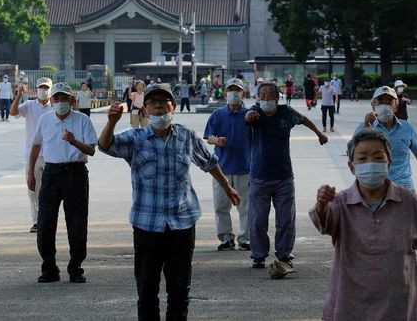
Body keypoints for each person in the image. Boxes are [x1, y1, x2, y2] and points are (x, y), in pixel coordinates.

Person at [98, 83, 240, 320]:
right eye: (153, 103)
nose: (159, 107)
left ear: (173, 108)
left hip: (182, 223)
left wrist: (227, 187)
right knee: (146, 291)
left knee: (179, 292)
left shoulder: (186, 136)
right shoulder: (135, 138)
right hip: (147, 225)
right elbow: (105, 146)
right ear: (145, 111)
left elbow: (209, 162)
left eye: (164, 103)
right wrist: (111, 122)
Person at [311, 128, 417, 321]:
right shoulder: (340, 202)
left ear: (389, 163)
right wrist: (321, 204)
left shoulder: (408, 201)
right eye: (362, 158)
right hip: (350, 297)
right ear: (352, 166)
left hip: (396, 299)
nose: (370, 163)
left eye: (378, 157)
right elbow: (325, 225)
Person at [245, 82, 328, 277]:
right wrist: (249, 116)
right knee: (257, 219)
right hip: (259, 176)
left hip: (284, 176)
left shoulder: (286, 112)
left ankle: (284, 254)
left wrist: (319, 133)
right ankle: (259, 254)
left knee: (286, 219)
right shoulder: (255, 112)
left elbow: (303, 119)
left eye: (270, 95)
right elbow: (247, 117)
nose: (266, 99)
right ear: (257, 98)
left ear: (277, 97)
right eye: (262, 95)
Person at [27, 82, 97, 284]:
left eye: (63, 99)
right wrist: (31, 173)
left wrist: (75, 142)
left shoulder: (82, 120)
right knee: (45, 222)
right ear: (51, 101)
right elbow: (35, 147)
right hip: (51, 172)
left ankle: (76, 267)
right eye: (56, 99)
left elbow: (91, 150)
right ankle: (49, 267)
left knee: (76, 222)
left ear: (72, 100)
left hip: (75, 173)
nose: (59, 102)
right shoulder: (45, 120)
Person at [356, 85, 417, 189]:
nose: (385, 104)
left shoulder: (406, 127)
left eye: (389, 101)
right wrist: (367, 128)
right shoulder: (364, 127)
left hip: (403, 187)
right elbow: (353, 153)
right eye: (380, 101)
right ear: (373, 105)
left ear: (396, 106)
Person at [204, 78, 251, 251]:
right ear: (225, 94)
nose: (233, 93)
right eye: (230, 90)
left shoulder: (249, 115)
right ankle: (226, 237)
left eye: (237, 90)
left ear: (243, 94)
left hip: (244, 166)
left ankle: (245, 237)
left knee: (245, 205)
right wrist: (217, 140)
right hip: (221, 168)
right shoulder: (218, 114)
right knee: (220, 205)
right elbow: (208, 137)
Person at [10, 77, 53, 233]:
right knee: (33, 188)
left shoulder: (55, 107)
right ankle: (36, 221)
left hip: (50, 154)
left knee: (50, 189)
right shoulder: (29, 105)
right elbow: (13, 112)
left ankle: (48, 218)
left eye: (46, 88)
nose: (44, 90)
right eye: (41, 87)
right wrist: (19, 95)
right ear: (36, 89)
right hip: (32, 154)